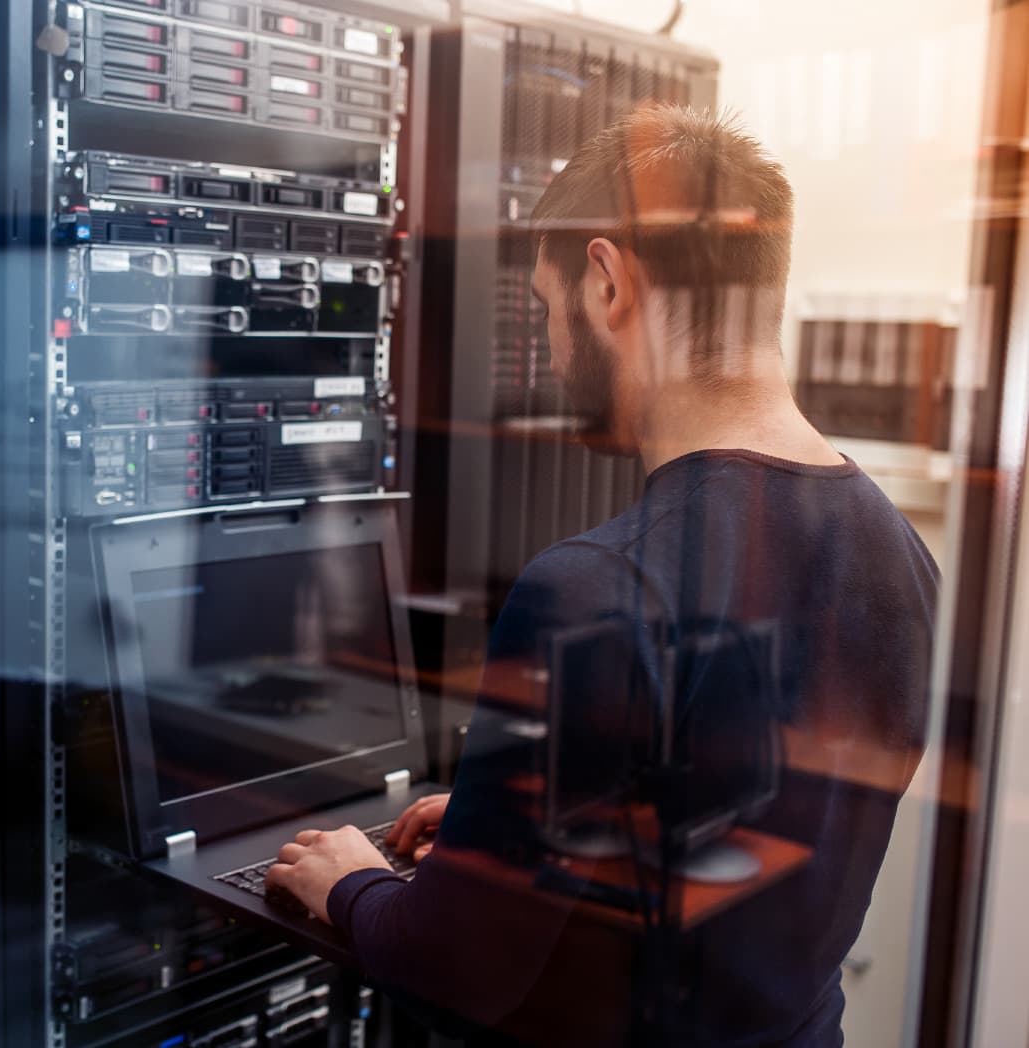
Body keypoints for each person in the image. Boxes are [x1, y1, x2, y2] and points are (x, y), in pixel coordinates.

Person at [265, 105, 938, 1046]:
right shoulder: (901, 552)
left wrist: (353, 882)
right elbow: (734, 819)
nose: (549, 350)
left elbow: (459, 973)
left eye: (547, 309)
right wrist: (508, 829)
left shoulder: (592, 587)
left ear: (609, 280)